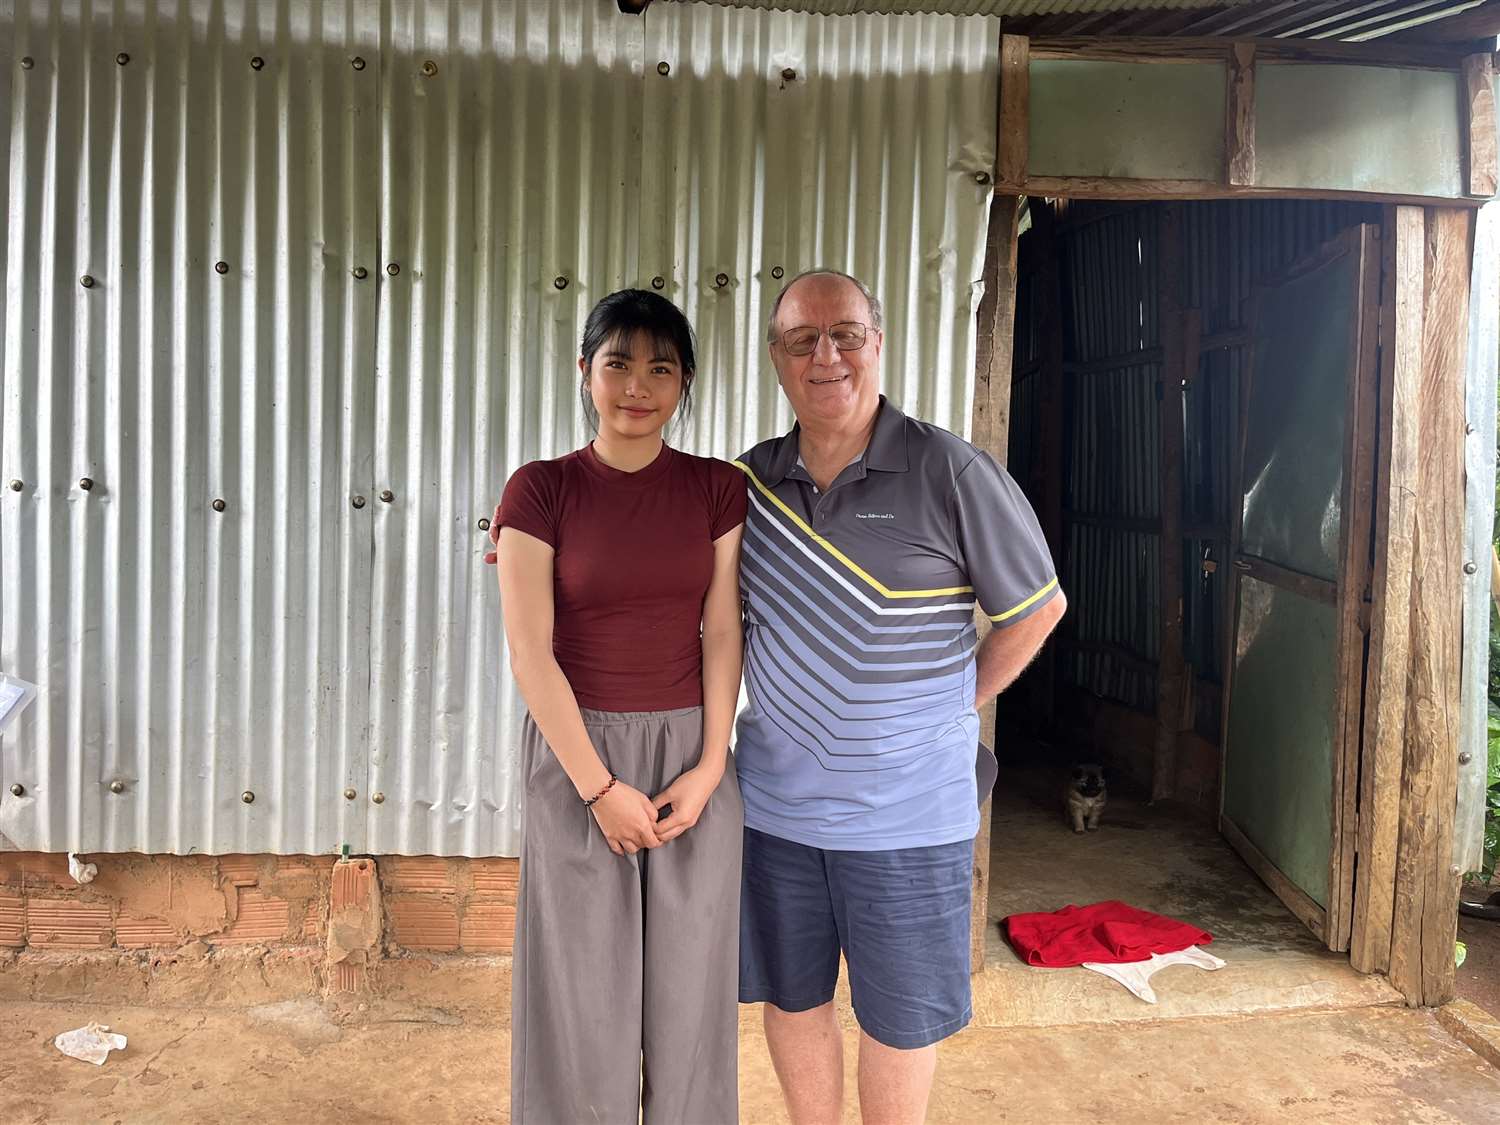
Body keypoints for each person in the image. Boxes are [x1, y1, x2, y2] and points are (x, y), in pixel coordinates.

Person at [735, 268, 1066, 1125]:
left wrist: (956, 701)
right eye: (801, 339)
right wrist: (548, 546)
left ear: (877, 343)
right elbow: (670, 582)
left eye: (845, 333)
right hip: (776, 815)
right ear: (776, 357)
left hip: (910, 819)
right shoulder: (747, 487)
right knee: (792, 998)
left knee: (899, 1021)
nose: (826, 355)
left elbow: (1037, 609)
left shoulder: (951, 470)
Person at [490, 289, 747, 1125]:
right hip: (577, 757)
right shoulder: (540, 490)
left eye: (661, 368)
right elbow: (531, 652)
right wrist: (598, 788)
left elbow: (721, 628)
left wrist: (710, 766)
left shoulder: (715, 488)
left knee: (690, 992)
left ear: (685, 382)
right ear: (585, 372)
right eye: (618, 363)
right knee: (581, 994)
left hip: (691, 759)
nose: (638, 385)